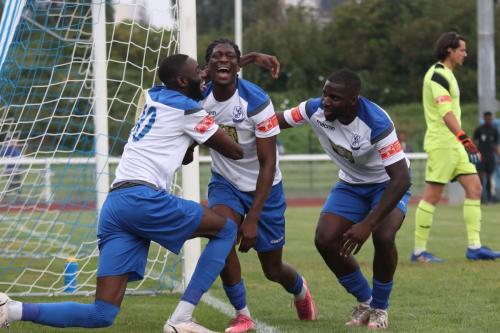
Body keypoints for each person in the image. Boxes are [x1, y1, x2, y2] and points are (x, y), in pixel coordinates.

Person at [0, 53, 244, 333]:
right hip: (143, 199)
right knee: (225, 229)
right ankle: (182, 318)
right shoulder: (189, 110)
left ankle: (12, 309)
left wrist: (197, 128)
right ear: (181, 80)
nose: (204, 75)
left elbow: (185, 154)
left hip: (116, 205)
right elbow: (235, 151)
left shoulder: (155, 95)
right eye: (197, 72)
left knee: (102, 314)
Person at [276, 69, 411, 330]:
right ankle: (366, 300)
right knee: (325, 239)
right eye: (325, 94)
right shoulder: (313, 108)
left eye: (334, 98)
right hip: (351, 184)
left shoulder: (376, 122)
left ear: (353, 101)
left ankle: (380, 308)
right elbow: (274, 121)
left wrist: (367, 225)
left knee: (383, 236)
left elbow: (401, 179)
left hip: (387, 183)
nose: (326, 101)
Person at [201, 38, 317, 333]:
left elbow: (268, 164)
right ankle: (242, 314)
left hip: (264, 188)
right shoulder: (198, 93)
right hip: (225, 183)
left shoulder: (257, 102)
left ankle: (300, 289)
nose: (222, 61)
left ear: (238, 66)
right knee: (222, 234)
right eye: (217, 57)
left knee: (272, 269)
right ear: (207, 65)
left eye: (229, 57)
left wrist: (253, 217)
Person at [411, 31, 500, 263]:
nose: (465, 54)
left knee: (475, 189)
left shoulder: (448, 74)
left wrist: (461, 141)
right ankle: (419, 251)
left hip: (454, 144)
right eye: (462, 50)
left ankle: (474, 247)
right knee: (433, 195)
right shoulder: (438, 75)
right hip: (443, 144)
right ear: (449, 50)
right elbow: (445, 113)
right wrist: (464, 138)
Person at [473, 111, 500, 203]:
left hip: (490, 157)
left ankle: (489, 199)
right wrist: (474, 153)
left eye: (490, 118)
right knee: (480, 178)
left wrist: (499, 156)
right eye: (487, 118)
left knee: (489, 178)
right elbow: (473, 143)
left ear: (491, 118)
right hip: (481, 157)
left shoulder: (494, 130)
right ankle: (480, 199)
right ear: (484, 118)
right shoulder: (479, 130)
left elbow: (496, 145)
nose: (488, 120)